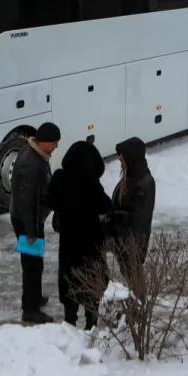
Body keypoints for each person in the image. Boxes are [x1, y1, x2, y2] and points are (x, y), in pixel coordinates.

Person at [47, 138, 111, 328]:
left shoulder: (60, 178)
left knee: (69, 280)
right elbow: (105, 205)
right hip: (91, 241)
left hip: (69, 241)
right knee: (92, 280)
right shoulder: (91, 184)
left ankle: (69, 321)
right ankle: (91, 323)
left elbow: (51, 202)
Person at [11, 122, 59, 324]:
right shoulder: (31, 164)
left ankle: (33, 298)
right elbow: (27, 200)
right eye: (54, 143)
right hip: (27, 221)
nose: (56, 147)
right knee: (32, 265)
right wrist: (31, 231)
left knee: (33, 262)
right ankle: (30, 310)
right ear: (45, 142)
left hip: (29, 218)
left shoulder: (36, 154)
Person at [110, 137, 156, 293]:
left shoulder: (144, 182)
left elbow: (138, 218)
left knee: (134, 279)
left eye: (122, 155)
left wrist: (113, 217)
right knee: (130, 275)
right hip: (123, 240)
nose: (119, 158)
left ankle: (138, 311)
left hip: (132, 242)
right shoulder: (130, 175)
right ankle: (135, 308)